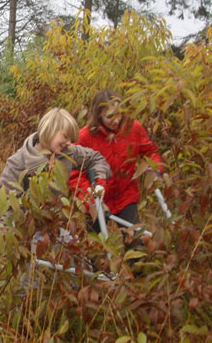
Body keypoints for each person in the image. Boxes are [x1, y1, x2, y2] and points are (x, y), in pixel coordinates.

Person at [0, 107, 111, 228]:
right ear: (50, 130)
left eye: (71, 139)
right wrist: (6, 239)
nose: (69, 143)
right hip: (29, 232)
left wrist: (99, 181)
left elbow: (96, 158)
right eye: (65, 137)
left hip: (58, 228)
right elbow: (0, 207)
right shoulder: (18, 163)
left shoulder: (68, 152)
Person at [68, 89, 164, 237]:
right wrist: (91, 200)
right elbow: (75, 175)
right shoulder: (85, 137)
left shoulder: (133, 128)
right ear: (98, 114)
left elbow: (150, 151)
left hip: (126, 195)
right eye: (110, 116)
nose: (116, 120)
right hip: (96, 200)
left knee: (135, 241)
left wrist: (154, 168)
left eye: (119, 114)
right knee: (97, 248)